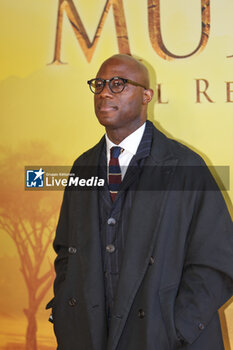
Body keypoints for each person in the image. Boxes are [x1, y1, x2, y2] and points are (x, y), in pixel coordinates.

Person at [46, 54, 233, 350]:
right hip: (91, 337)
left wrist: (176, 328)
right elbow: (66, 251)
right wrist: (65, 313)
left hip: (166, 340)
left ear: (147, 95)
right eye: (99, 84)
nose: (105, 92)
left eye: (119, 84)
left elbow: (218, 262)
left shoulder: (186, 167)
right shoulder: (82, 167)